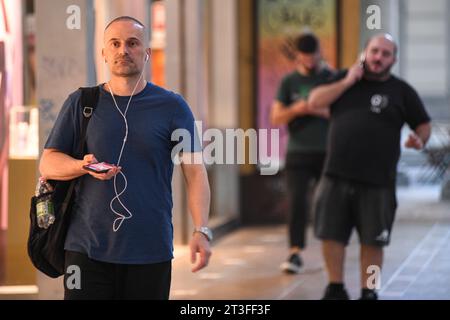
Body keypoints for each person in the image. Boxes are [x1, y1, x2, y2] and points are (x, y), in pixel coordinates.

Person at [39, 16, 212, 300]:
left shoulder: (172, 106)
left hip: (150, 250)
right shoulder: (81, 103)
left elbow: (195, 172)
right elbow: (48, 163)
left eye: (133, 43)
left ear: (146, 53)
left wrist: (201, 230)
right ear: (104, 53)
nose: (123, 50)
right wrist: (82, 166)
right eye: (115, 44)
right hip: (85, 250)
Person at [308, 34, 431, 300]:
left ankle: (369, 290)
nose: (378, 57)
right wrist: (346, 81)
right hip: (335, 176)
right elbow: (314, 101)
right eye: (374, 51)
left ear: (394, 60)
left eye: (385, 54)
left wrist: (419, 139)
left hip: (379, 181)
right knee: (331, 236)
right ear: (365, 52)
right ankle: (336, 287)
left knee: (374, 240)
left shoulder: (402, 91)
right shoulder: (343, 79)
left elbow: (423, 123)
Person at [270, 33, 334, 274]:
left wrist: (315, 108)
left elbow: (340, 113)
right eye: (305, 55)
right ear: (297, 55)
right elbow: (276, 117)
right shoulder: (289, 82)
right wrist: (298, 108)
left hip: (328, 152)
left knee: (327, 202)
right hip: (298, 152)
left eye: (313, 54)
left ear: (320, 52)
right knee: (297, 201)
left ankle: (331, 251)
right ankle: (295, 251)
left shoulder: (331, 77)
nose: (309, 59)